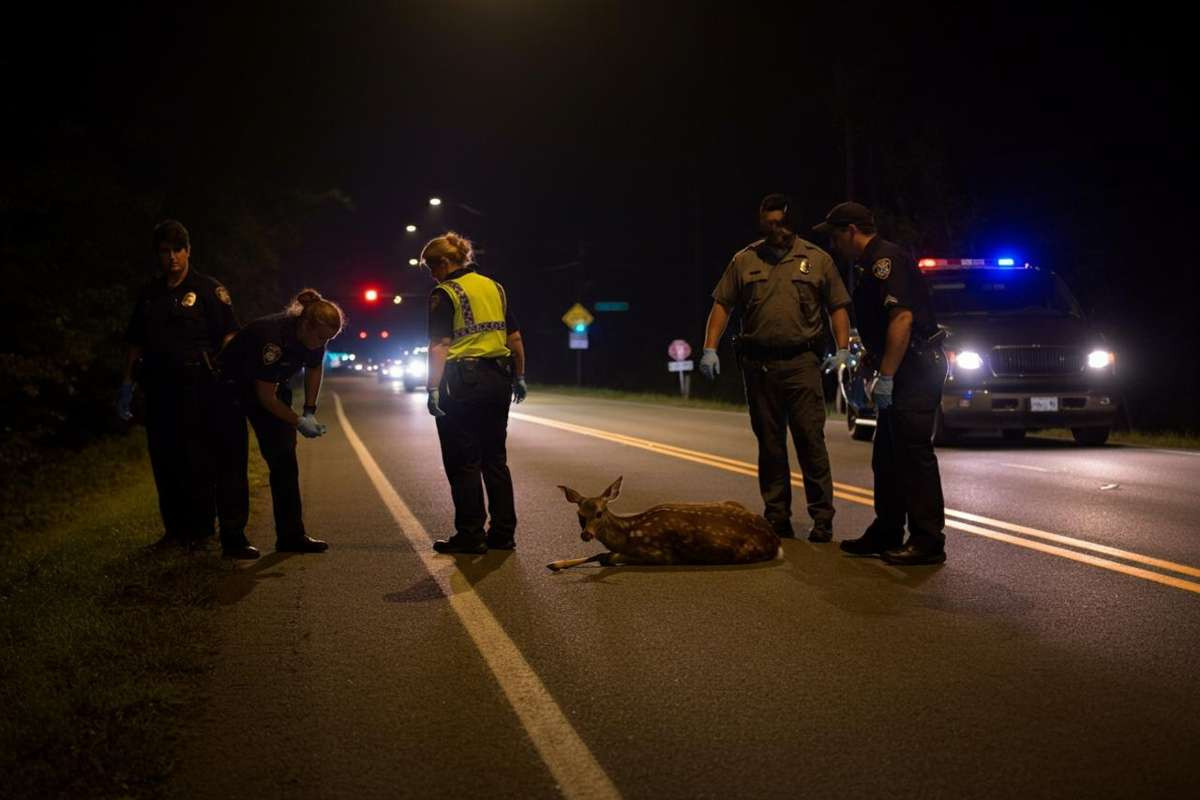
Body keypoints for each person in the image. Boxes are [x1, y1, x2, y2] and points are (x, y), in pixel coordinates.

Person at [700, 194, 853, 541]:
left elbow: (838, 307)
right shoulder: (744, 260)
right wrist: (710, 347)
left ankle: (822, 518)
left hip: (802, 363)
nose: (776, 230)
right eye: (769, 224)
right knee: (770, 446)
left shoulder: (817, 260)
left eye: (781, 223)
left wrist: (842, 349)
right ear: (761, 223)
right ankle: (777, 516)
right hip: (759, 367)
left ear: (791, 221)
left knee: (811, 443)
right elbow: (722, 305)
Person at [815, 201, 947, 565]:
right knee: (886, 456)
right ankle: (887, 530)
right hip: (901, 370)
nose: (833, 245)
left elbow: (902, 319)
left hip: (915, 370)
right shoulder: (868, 265)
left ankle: (928, 540)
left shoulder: (886, 260)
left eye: (835, 236)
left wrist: (886, 376)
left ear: (851, 231)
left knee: (913, 455)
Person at [120, 219, 238, 547]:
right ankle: (174, 530)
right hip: (158, 388)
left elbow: (230, 334)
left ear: (188, 251)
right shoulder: (150, 294)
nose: (171, 257)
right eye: (164, 251)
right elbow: (135, 342)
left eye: (177, 250)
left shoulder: (208, 290)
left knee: (197, 458)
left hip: (198, 387)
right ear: (157, 255)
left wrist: (223, 371)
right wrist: (127, 384)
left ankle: (201, 529)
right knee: (164, 458)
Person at [213, 289, 344, 558]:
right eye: (320, 337)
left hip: (271, 385)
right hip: (229, 389)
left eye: (328, 340)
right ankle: (233, 539)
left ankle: (291, 536)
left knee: (284, 459)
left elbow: (315, 368)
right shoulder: (272, 338)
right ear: (304, 324)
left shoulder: (314, 338)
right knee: (233, 462)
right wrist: (298, 422)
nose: (322, 344)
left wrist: (309, 409)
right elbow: (265, 397)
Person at [421, 232, 526, 554]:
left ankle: (470, 535)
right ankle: (503, 534)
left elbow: (440, 345)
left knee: (463, 460)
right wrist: (519, 375)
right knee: (495, 459)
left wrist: (432, 387)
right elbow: (516, 338)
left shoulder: (444, 293)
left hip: (461, 383)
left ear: (443, 262)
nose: (431, 274)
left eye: (430, 268)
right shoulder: (494, 287)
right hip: (498, 378)